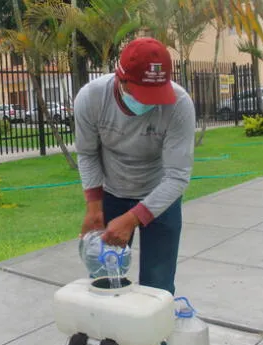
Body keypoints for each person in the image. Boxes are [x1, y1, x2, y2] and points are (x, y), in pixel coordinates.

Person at [75, 37, 195, 297]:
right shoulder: (92, 98)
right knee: (106, 280)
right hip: (112, 194)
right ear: (121, 78)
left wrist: (133, 218)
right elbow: (86, 153)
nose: (150, 102)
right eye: (142, 92)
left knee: (158, 286)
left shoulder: (179, 104)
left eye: (156, 94)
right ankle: (111, 337)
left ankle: (155, 339)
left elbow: (177, 176)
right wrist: (94, 208)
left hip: (161, 196)